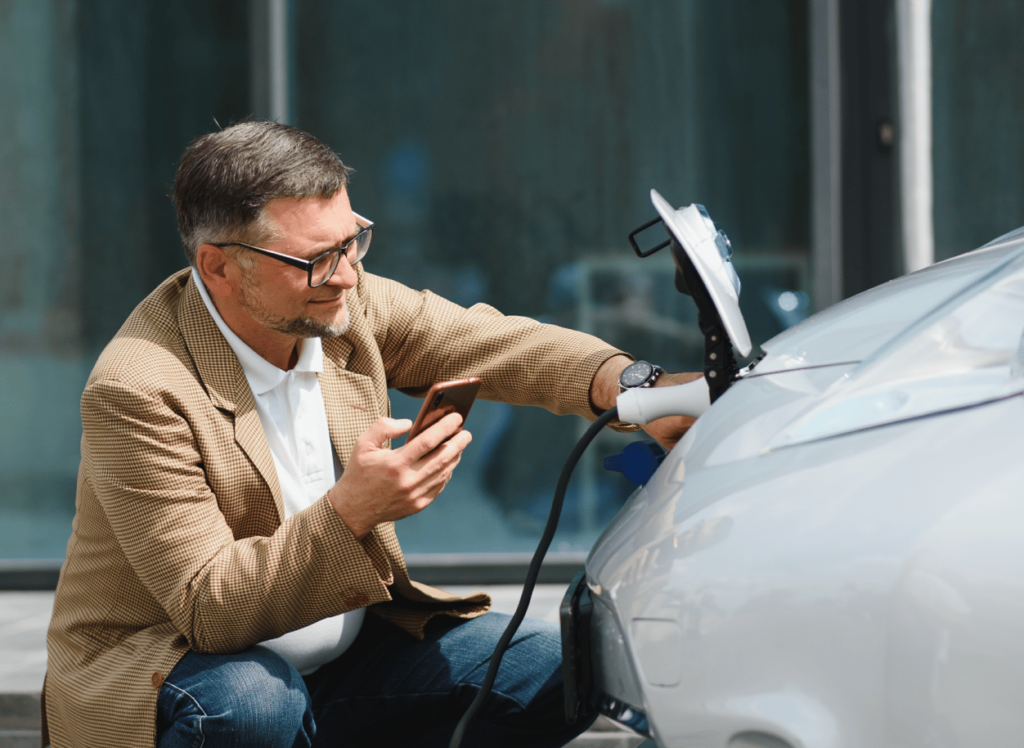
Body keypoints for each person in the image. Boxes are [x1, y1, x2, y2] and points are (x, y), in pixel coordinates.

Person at [44, 121, 699, 748]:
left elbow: (492, 344)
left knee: (559, 670)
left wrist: (636, 387)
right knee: (253, 705)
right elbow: (209, 610)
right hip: (179, 670)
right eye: (315, 259)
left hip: (342, 658)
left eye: (353, 240)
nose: (348, 275)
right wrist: (353, 509)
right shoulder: (137, 390)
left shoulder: (340, 302)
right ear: (218, 267)